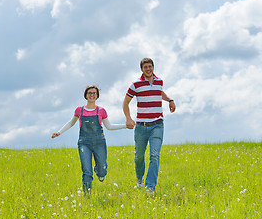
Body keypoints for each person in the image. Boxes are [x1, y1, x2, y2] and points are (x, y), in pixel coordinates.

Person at [52, 85, 126, 194]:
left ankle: (99, 171)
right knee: (86, 170)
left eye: (94, 93)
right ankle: (87, 195)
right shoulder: (79, 110)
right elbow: (71, 123)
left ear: (97, 96)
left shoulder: (101, 111)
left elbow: (109, 126)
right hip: (84, 143)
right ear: (86, 95)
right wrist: (59, 132)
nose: (92, 95)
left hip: (99, 142)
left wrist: (125, 125)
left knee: (102, 170)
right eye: (89, 93)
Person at [123, 58, 176, 195]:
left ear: (153, 67)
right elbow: (125, 103)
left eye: (150, 66)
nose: (148, 69)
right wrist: (129, 118)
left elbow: (159, 92)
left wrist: (170, 100)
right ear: (142, 69)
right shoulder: (136, 85)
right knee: (139, 157)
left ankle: (150, 188)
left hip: (157, 125)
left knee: (154, 156)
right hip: (141, 126)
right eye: (145, 67)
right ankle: (139, 179)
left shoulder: (159, 82)